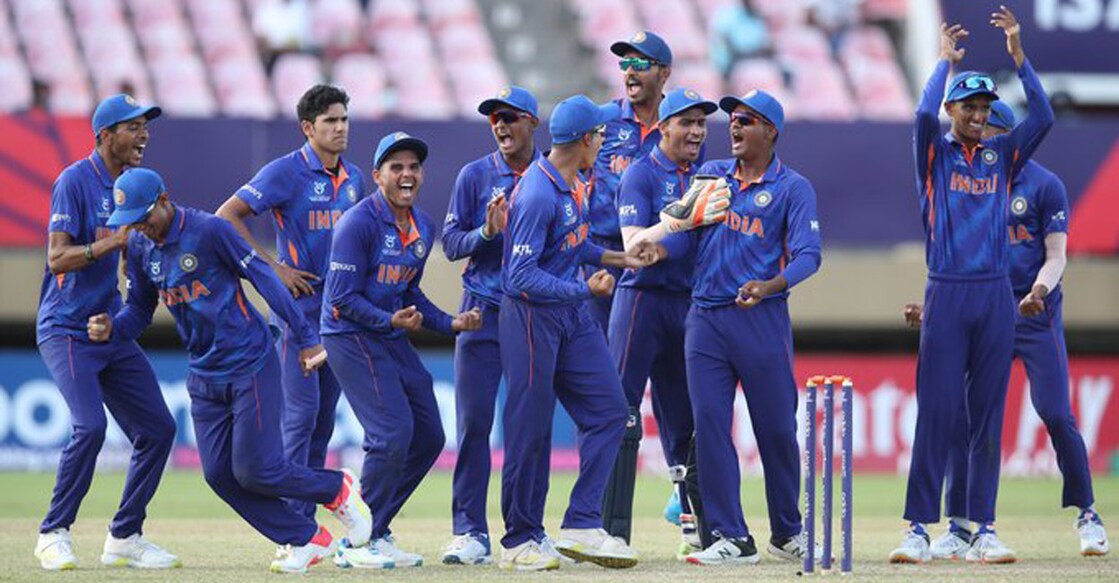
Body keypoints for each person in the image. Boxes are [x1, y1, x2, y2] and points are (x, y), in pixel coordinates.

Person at [94, 168, 372, 574]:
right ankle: (305, 537)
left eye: (144, 217)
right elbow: (139, 311)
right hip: (203, 374)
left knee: (257, 469)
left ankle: (336, 488)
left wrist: (306, 336)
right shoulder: (139, 246)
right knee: (220, 476)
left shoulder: (209, 231)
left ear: (165, 199)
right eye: (132, 222)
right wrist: (112, 329)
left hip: (249, 363)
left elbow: (264, 278)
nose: (141, 228)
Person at [902, 101, 1109, 559]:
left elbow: (1057, 256)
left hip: (1034, 314)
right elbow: (951, 249)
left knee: (1055, 412)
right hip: (980, 309)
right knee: (961, 418)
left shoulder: (1044, 186)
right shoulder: (963, 175)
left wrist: (1038, 290)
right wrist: (936, 310)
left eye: (992, 129)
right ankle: (959, 524)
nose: (980, 137)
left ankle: (1087, 513)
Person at [888, 7, 1054, 564]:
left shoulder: (1001, 155)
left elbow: (1045, 116)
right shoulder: (932, 152)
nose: (979, 115)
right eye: (970, 106)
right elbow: (917, 117)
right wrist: (942, 64)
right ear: (952, 109)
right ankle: (917, 527)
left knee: (986, 416)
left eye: (985, 107)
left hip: (995, 295)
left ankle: (981, 526)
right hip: (947, 291)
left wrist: (1019, 58)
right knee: (937, 412)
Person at [497, 95, 658, 571]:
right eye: (601, 137)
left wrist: (622, 258)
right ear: (586, 139)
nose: (604, 144)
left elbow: (573, 243)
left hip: (569, 313)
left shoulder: (575, 184)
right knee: (529, 430)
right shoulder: (537, 193)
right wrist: (581, 288)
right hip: (530, 319)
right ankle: (518, 540)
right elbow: (518, 276)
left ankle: (582, 522)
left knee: (611, 411)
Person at [662, 90, 823, 566]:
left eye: (746, 121)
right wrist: (652, 248)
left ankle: (787, 532)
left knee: (775, 431)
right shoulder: (709, 175)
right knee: (710, 427)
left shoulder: (794, 188)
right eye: (732, 120)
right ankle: (730, 536)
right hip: (706, 319)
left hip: (762, 319)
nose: (733, 127)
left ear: (770, 130)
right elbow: (681, 230)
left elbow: (810, 256)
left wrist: (771, 284)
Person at [321, 132, 483, 569]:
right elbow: (341, 300)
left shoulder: (422, 226)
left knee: (429, 435)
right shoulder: (358, 223)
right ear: (378, 176)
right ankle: (355, 543)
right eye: (397, 167)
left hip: (388, 336)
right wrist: (390, 320)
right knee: (391, 434)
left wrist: (450, 322)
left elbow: (410, 292)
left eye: (413, 167)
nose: (407, 174)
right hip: (349, 336)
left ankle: (377, 527)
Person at [33, 94, 179, 571]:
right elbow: (57, 258)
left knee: (159, 429)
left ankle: (125, 536)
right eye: (133, 127)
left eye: (146, 127)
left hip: (108, 326)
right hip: (66, 328)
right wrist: (110, 242)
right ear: (105, 135)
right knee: (90, 427)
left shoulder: (133, 186)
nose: (144, 136)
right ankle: (52, 533)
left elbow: (135, 259)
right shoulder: (74, 180)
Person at [216, 84, 364, 528]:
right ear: (307, 128)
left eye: (343, 120)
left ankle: (304, 521)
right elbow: (227, 216)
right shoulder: (285, 172)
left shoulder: (355, 178)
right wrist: (273, 268)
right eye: (330, 122)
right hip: (298, 317)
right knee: (298, 421)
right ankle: (295, 530)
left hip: (339, 316)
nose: (340, 128)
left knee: (321, 423)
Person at [601, 88, 718, 556]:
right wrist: (682, 221)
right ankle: (609, 531)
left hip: (688, 303)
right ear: (663, 126)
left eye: (701, 124)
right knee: (620, 413)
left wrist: (668, 237)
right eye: (686, 122)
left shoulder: (707, 174)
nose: (695, 132)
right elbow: (633, 249)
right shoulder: (640, 174)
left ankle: (699, 528)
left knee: (687, 422)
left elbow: (697, 242)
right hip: (641, 304)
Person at [439, 86, 541, 566]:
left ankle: (526, 531)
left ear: (533, 124)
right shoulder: (474, 175)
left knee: (528, 427)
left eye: (510, 117)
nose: (499, 125)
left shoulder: (552, 175)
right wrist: (486, 232)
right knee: (475, 422)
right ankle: (469, 531)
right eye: (493, 118)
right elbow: (451, 243)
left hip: (533, 316)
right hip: (481, 311)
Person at [587, 31, 674, 335]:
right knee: (596, 351)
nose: (630, 71)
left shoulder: (680, 125)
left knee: (637, 357)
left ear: (664, 73)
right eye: (625, 64)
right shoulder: (604, 119)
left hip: (652, 254)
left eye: (640, 63)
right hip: (601, 252)